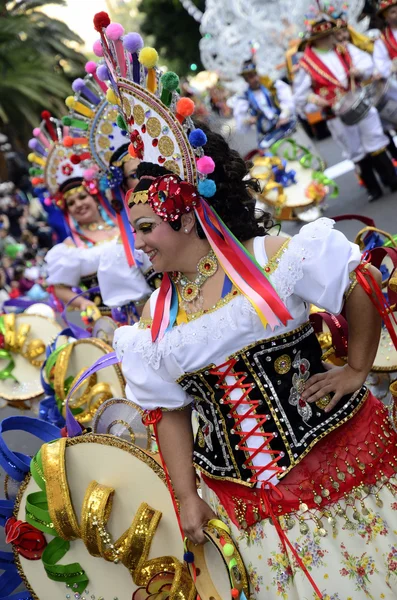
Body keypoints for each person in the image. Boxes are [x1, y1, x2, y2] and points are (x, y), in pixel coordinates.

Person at [92, 17, 397, 599]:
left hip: (346, 469)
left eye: (148, 228)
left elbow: (357, 283)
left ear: (185, 211)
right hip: (248, 512)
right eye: (137, 232)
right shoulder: (154, 324)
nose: (143, 245)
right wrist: (185, 497)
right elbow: (170, 412)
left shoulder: (276, 258)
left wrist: (357, 367)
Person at [28, 111, 153, 319]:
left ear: (95, 197)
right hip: (113, 322)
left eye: (82, 197)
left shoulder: (126, 223)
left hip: (156, 305)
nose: (78, 204)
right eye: (71, 203)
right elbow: (59, 287)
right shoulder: (68, 250)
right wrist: (86, 305)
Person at [294, 15, 397, 202]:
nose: (332, 37)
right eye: (327, 35)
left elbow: (367, 63)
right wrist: (318, 101)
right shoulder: (306, 65)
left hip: (360, 102)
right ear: (316, 39)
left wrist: (359, 71)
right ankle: (373, 188)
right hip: (336, 114)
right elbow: (300, 96)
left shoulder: (345, 49)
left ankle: (391, 180)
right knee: (355, 149)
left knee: (375, 138)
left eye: (331, 34)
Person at [233, 59, 295, 148]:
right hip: (269, 135)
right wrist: (248, 120)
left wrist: (283, 116)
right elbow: (240, 121)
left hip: (287, 126)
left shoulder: (272, 86)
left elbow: (289, 101)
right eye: (251, 77)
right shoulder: (244, 98)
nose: (255, 79)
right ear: (246, 80)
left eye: (255, 75)